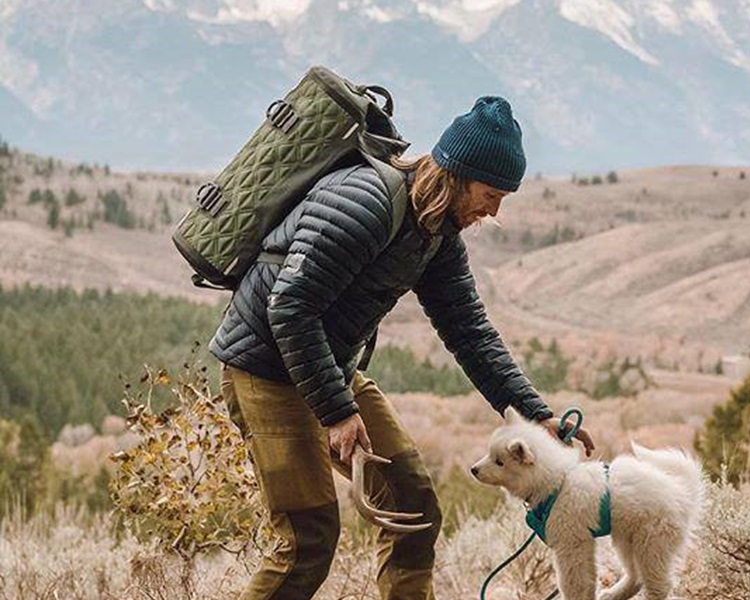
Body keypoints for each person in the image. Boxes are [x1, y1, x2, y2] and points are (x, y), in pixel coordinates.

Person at [211, 95, 595, 600]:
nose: (493, 211)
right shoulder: (363, 203)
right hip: (265, 370)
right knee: (308, 540)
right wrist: (338, 412)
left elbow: (469, 333)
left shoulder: (436, 235)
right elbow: (289, 309)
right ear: (458, 174)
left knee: (413, 507)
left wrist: (535, 414)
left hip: (329, 366)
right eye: (490, 193)